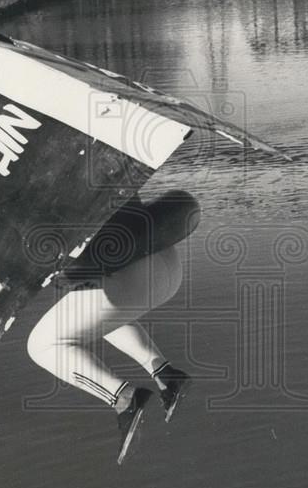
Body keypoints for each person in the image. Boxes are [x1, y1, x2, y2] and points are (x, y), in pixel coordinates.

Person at [26, 189, 201, 464]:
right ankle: (167, 375)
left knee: (41, 345)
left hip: (132, 277)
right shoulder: (87, 152)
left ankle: (124, 398)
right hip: (165, 260)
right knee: (91, 311)